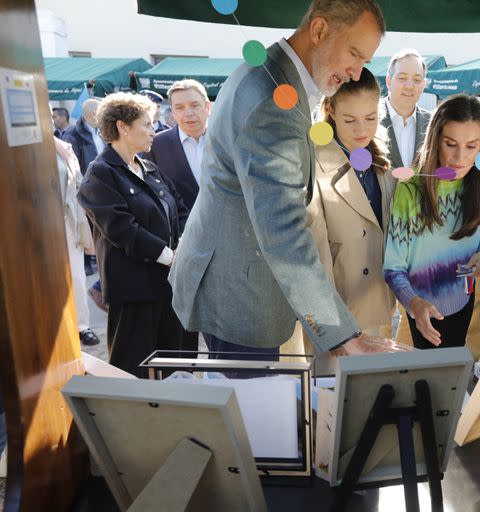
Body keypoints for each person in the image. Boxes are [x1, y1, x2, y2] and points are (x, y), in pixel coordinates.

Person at [169, 0, 390, 358]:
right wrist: (344, 336)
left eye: (364, 61)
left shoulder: (272, 72)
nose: (355, 72)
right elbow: (284, 229)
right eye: (354, 53)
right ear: (318, 30)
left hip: (232, 278)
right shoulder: (273, 102)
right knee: (255, 412)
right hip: (239, 299)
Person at [77, 92, 195, 377]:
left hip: (168, 287)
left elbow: (179, 209)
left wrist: (183, 249)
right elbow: (122, 229)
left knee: (175, 368)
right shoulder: (100, 174)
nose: (153, 132)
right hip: (134, 293)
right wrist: (169, 256)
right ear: (122, 127)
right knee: (134, 373)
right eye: (147, 124)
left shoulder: (150, 168)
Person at [383, 94, 480, 349]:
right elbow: (393, 268)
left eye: (471, 146)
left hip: (464, 300)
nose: (460, 157)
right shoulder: (411, 190)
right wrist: (413, 302)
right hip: (422, 310)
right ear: (435, 141)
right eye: (450, 144)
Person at [309, 67, 396, 336]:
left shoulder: (381, 156)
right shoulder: (313, 160)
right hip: (336, 312)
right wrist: (329, 326)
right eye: (349, 120)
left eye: (370, 118)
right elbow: (315, 252)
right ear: (330, 110)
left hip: (374, 305)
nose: (361, 130)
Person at [51, 108, 100, 347]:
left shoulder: (62, 147)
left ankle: (82, 326)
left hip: (68, 220)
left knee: (77, 277)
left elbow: (78, 182)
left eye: (49, 115)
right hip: (37, 225)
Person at [63, 98, 108, 308]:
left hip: (107, 190)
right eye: (100, 112)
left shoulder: (103, 131)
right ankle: (97, 276)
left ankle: (101, 282)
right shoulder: (73, 134)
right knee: (95, 233)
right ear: (91, 114)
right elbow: (74, 168)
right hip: (88, 192)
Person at [145, 79, 210, 211]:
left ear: (207, 107)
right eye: (179, 107)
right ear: (173, 113)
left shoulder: (227, 140)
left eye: (194, 105)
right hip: (181, 229)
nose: (188, 113)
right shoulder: (156, 145)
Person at [381, 49, 432, 170]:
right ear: (389, 81)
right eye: (402, 78)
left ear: (424, 84)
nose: (409, 86)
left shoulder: (433, 123)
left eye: (417, 80)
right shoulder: (369, 117)